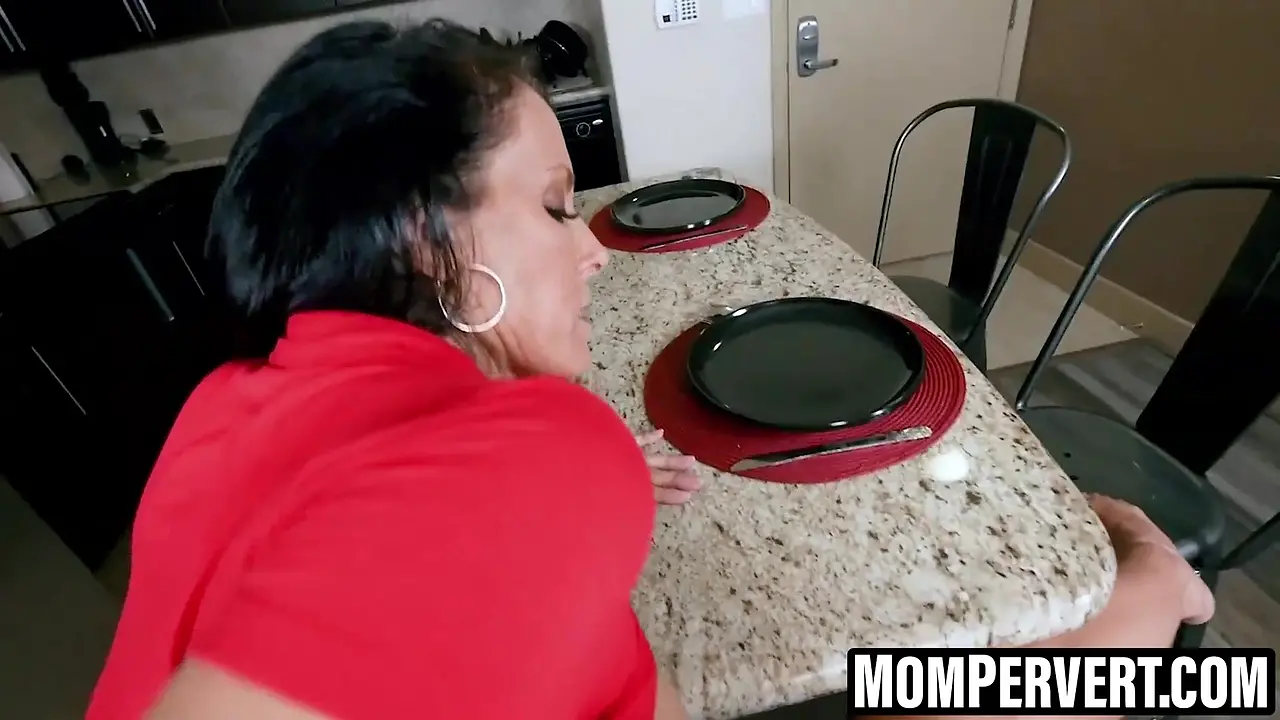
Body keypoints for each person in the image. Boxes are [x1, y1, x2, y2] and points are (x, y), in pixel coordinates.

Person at [83, 19, 1210, 720]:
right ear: (430, 244)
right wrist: (557, 469)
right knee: (979, 669)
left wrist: (575, 483)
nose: (590, 247)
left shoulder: (219, 408)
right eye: (550, 207)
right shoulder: (531, 453)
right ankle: (1163, 596)